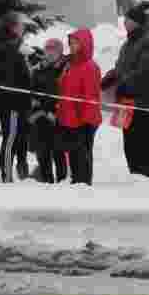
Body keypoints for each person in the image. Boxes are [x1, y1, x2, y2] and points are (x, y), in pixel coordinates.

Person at [102, 5, 149, 179]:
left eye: (129, 19)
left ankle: (147, 177)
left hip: (141, 101)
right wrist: (109, 79)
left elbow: (145, 73)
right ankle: (135, 176)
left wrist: (121, 83)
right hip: (124, 101)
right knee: (129, 142)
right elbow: (120, 68)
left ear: (137, 22)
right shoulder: (127, 43)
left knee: (142, 141)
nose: (125, 22)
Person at [0, 12, 33, 181]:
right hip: (11, 102)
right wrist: (19, 54)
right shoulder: (6, 46)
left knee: (19, 136)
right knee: (11, 137)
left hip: (19, 101)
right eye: (21, 25)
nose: (23, 28)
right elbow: (9, 76)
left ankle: (8, 166)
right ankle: (6, 172)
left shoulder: (15, 45)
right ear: (13, 27)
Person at [56, 29, 102, 185]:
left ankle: (84, 185)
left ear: (85, 44)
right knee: (74, 155)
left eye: (76, 43)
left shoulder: (90, 67)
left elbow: (91, 96)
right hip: (69, 118)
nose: (72, 46)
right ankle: (77, 182)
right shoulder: (70, 64)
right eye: (71, 43)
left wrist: (86, 121)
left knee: (82, 155)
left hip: (83, 120)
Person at [28, 38, 68, 183]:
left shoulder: (65, 68)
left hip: (58, 117)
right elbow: (32, 93)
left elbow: (64, 94)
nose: (50, 53)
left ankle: (62, 181)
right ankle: (46, 181)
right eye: (47, 50)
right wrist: (38, 111)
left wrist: (54, 111)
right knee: (42, 152)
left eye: (54, 50)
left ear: (60, 52)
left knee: (58, 151)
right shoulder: (38, 70)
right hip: (41, 117)